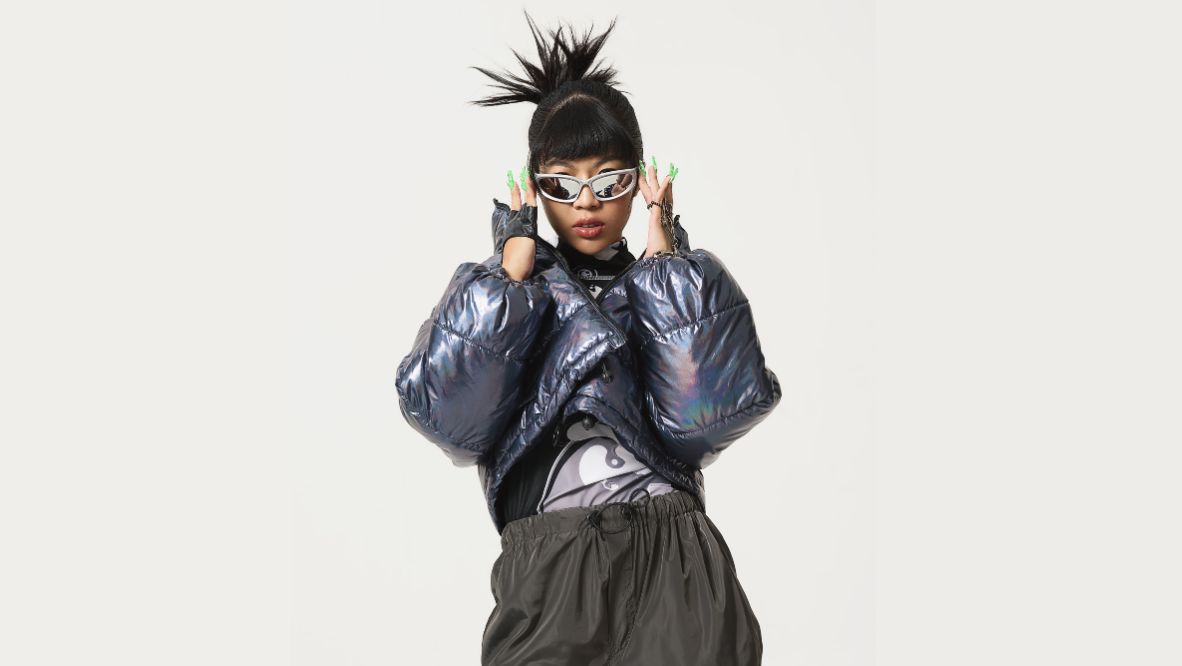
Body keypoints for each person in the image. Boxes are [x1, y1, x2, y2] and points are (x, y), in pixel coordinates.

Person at [394, 11, 782, 665]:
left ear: (640, 182)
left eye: (609, 181)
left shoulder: (668, 283)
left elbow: (711, 418)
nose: (587, 202)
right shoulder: (505, 294)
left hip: (676, 561)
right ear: (534, 187)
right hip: (552, 566)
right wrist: (510, 279)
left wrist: (668, 270)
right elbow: (449, 422)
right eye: (563, 182)